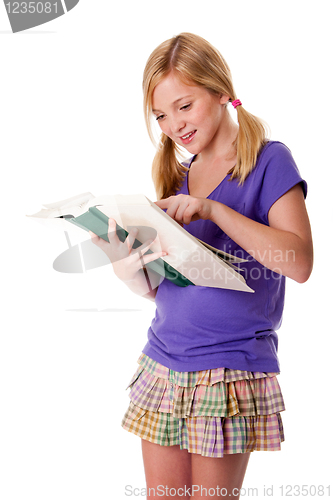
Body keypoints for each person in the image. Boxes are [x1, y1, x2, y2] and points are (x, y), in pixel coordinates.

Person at [90, 33, 313, 499]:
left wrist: (213, 211)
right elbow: (164, 287)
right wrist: (125, 263)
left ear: (218, 90)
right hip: (163, 360)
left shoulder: (268, 161)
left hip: (228, 368)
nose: (174, 124)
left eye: (184, 106)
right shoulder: (178, 173)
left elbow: (298, 263)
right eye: (161, 115)